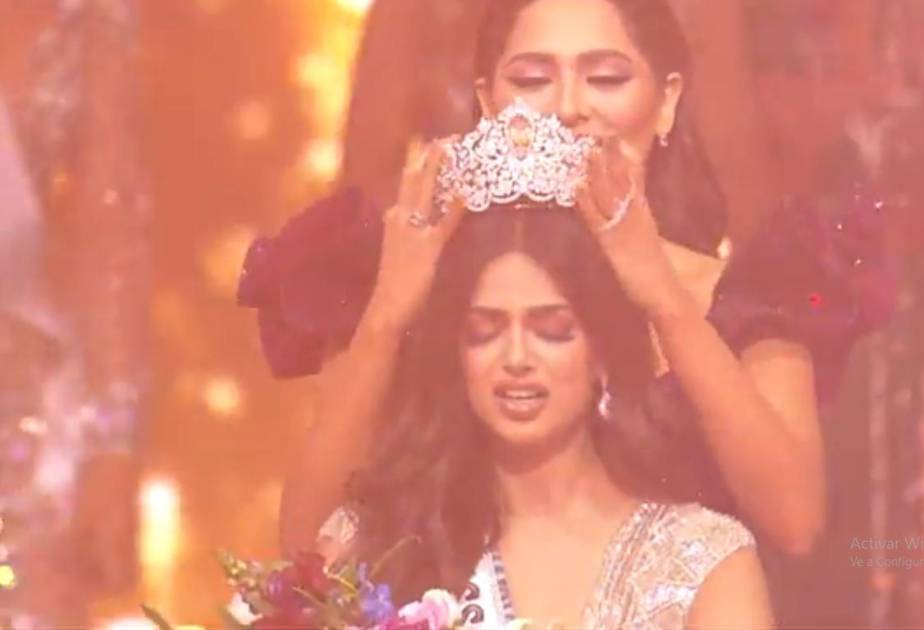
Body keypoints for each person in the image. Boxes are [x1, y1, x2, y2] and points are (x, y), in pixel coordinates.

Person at [243, 0, 891, 561]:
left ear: (666, 102)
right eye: (532, 79)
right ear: (487, 103)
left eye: (606, 78)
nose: (571, 107)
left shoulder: (751, 297)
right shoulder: (403, 285)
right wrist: (389, 313)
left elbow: (794, 521)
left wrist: (661, 294)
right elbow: (308, 546)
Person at [297, 103, 774, 628]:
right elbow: (297, 557)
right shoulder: (380, 541)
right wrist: (386, 316)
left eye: (553, 331)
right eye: (485, 332)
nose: (517, 359)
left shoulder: (703, 561)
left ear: (602, 349)